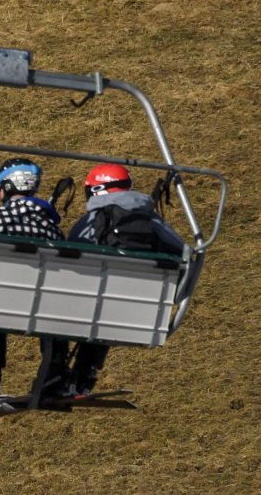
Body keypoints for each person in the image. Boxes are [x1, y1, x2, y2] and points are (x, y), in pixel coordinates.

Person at [54, 162, 186, 396]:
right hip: (139, 308)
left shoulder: (89, 223)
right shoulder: (151, 222)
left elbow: (71, 259)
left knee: (92, 308)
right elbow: (183, 253)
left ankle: (57, 375)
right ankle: (87, 373)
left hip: (88, 303)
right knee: (107, 313)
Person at [0, 158, 65, 395]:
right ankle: (52, 374)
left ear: (5, 188)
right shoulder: (52, 227)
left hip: (0, 300)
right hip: (44, 303)